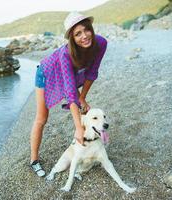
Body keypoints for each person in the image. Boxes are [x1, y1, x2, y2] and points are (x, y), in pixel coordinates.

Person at [30, 11, 107, 177]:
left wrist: (83, 97)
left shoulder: (100, 43)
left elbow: (92, 72)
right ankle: (34, 160)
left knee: (83, 105)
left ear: (91, 28)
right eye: (78, 34)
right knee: (42, 118)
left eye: (86, 30)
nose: (84, 36)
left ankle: (87, 149)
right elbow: (70, 93)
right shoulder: (66, 54)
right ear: (72, 38)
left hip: (73, 72)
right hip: (47, 73)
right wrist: (78, 127)